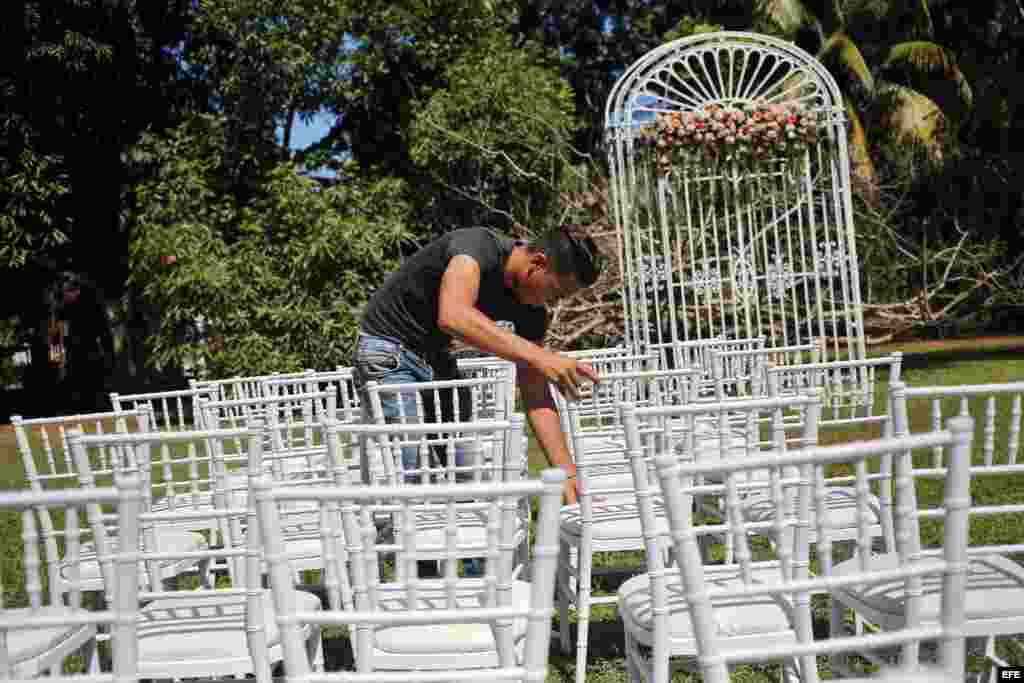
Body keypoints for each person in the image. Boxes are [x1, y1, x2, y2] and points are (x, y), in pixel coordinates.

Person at [351, 224, 604, 505]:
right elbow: (453, 315)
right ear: (537, 264)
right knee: (414, 476)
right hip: (388, 351)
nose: (552, 303)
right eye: (555, 294)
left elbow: (535, 391)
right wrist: (540, 356)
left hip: (435, 358)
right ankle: (393, 548)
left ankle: (460, 546)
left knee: (465, 477)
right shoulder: (477, 247)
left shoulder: (531, 313)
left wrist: (567, 473)